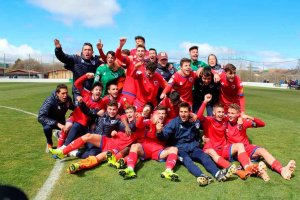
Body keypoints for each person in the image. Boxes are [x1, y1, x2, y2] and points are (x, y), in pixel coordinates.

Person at [157, 102, 236, 186]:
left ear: (189, 112)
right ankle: (202, 176)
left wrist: (197, 119)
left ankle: (217, 174)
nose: (183, 114)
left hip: (193, 147)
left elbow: (204, 123)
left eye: (185, 112)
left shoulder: (194, 120)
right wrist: (159, 131)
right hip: (180, 149)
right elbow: (163, 137)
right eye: (181, 112)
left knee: (204, 157)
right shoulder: (174, 122)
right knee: (188, 162)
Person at [49, 106, 140, 174]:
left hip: (114, 150)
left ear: (135, 113)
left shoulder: (139, 126)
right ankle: (62, 152)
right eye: (127, 112)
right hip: (108, 141)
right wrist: (115, 132)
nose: (128, 114)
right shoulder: (123, 120)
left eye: (131, 112)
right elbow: (123, 116)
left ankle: (79, 165)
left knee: (98, 158)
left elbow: (140, 123)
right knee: (88, 136)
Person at [226, 103, 296, 181]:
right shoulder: (225, 121)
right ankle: (260, 172)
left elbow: (262, 124)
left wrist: (248, 117)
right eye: (228, 113)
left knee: (262, 151)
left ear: (238, 114)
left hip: (247, 147)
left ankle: (282, 170)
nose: (230, 115)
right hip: (237, 150)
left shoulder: (243, 122)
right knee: (248, 162)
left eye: (232, 113)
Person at [197, 94, 260, 180]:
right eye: (219, 112)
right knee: (211, 152)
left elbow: (235, 115)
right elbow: (199, 116)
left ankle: (247, 167)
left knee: (240, 145)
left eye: (223, 112)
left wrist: (240, 119)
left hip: (224, 149)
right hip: (211, 148)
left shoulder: (225, 119)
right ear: (213, 113)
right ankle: (239, 172)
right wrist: (205, 102)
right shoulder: (208, 120)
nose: (221, 114)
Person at [119, 106, 180, 181]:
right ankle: (130, 169)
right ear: (154, 115)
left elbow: (178, 119)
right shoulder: (149, 121)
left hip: (159, 150)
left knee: (174, 149)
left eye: (163, 113)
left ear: (166, 115)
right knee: (135, 146)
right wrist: (142, 115)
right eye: (159, 113)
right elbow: (138, 125)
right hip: (145, 148)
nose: (161, 115)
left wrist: (192, 115)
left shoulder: (169, 123)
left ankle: (168, 172)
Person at [54, 39, 102, 105]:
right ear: (82, 51)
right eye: (85, 50)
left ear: (92, 52)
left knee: (89, 113)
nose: (87, 52)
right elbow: (63, 57)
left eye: (89, 50)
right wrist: (58, 49)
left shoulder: (96, 61)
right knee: (78, 111)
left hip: (91, 93)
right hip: (78, 92)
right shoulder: (76, 59)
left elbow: (108, 59)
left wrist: (100, 50)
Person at [63, 73, 104, 146]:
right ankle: (61, 147)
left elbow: (97, 114)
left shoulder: (101, 103)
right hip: (74, 117)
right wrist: (85, 76)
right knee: (68, 126)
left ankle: (67, 145)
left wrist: (94, 122)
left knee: (88, 143)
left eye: (100, 90)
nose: (98, 91)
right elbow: (76, 84)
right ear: (92, 91)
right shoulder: (86, 94)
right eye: (96, 89)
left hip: (84, 122)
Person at [38, 84, 74, 152]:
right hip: (49, 120)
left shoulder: (68, 99)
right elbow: (41, 116)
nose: (65, 95)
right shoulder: (50, 100)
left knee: (70, 131)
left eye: (66, 93)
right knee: (47, 128)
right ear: (57, 93)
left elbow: (73, 107)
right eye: (63, 93)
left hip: (61, 120)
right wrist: (57, 124)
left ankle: (58, 134)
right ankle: (49, 142)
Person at [116, 37, 148, 105]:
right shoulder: (130, 61)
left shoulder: (147, 66)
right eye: (138, 51)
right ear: (135, 52)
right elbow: (118, 55)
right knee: (126, 112)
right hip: (128, 92)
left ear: (145, 53)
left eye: (142, 51)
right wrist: (121, 45)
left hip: (139, 96)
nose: (140, 53)